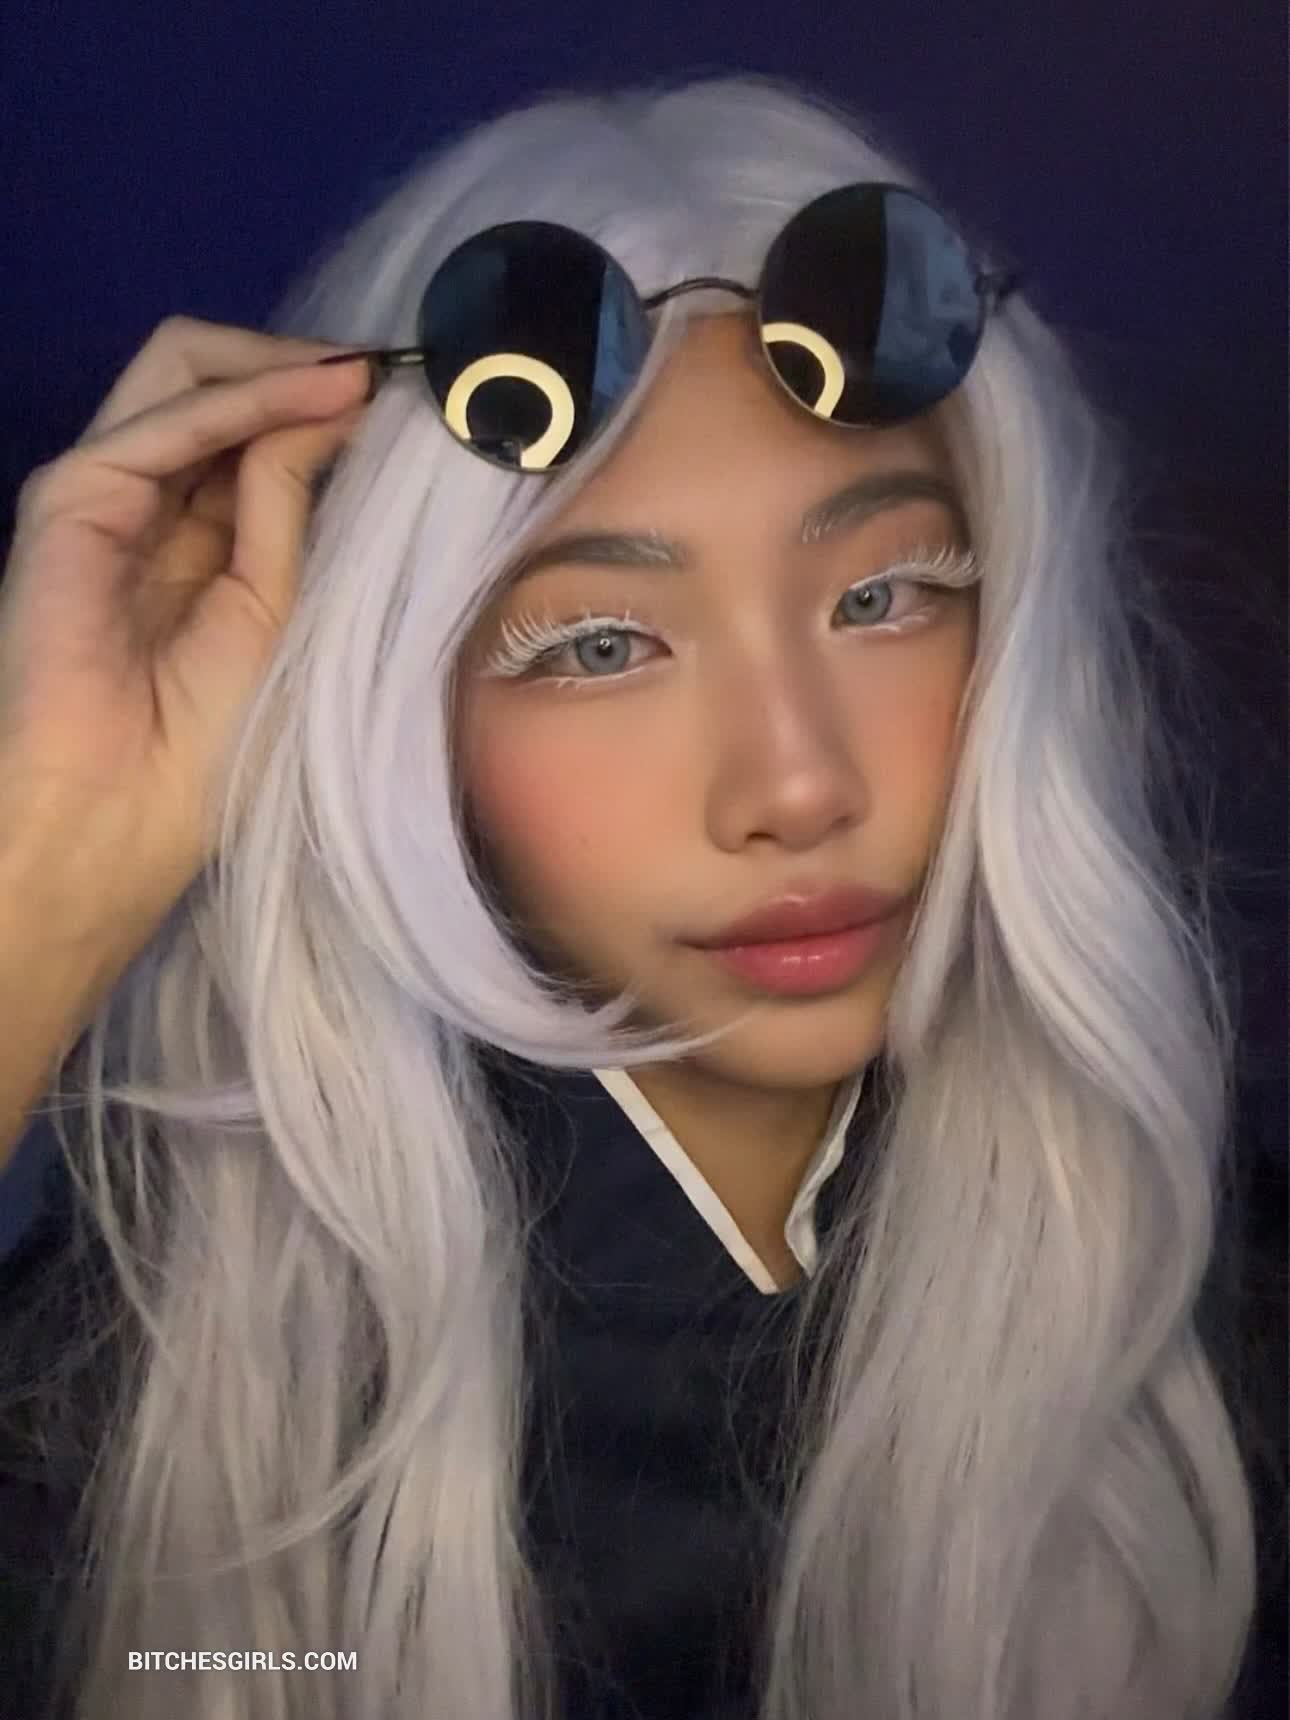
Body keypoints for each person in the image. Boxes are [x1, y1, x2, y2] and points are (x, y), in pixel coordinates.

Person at [0, 72, 1264, 1720]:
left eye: (883, 595)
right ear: (393, 709)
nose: (794, 785)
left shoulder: (1206, 1308)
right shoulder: (142, 1368)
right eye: (599, 644)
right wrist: (45, 870)